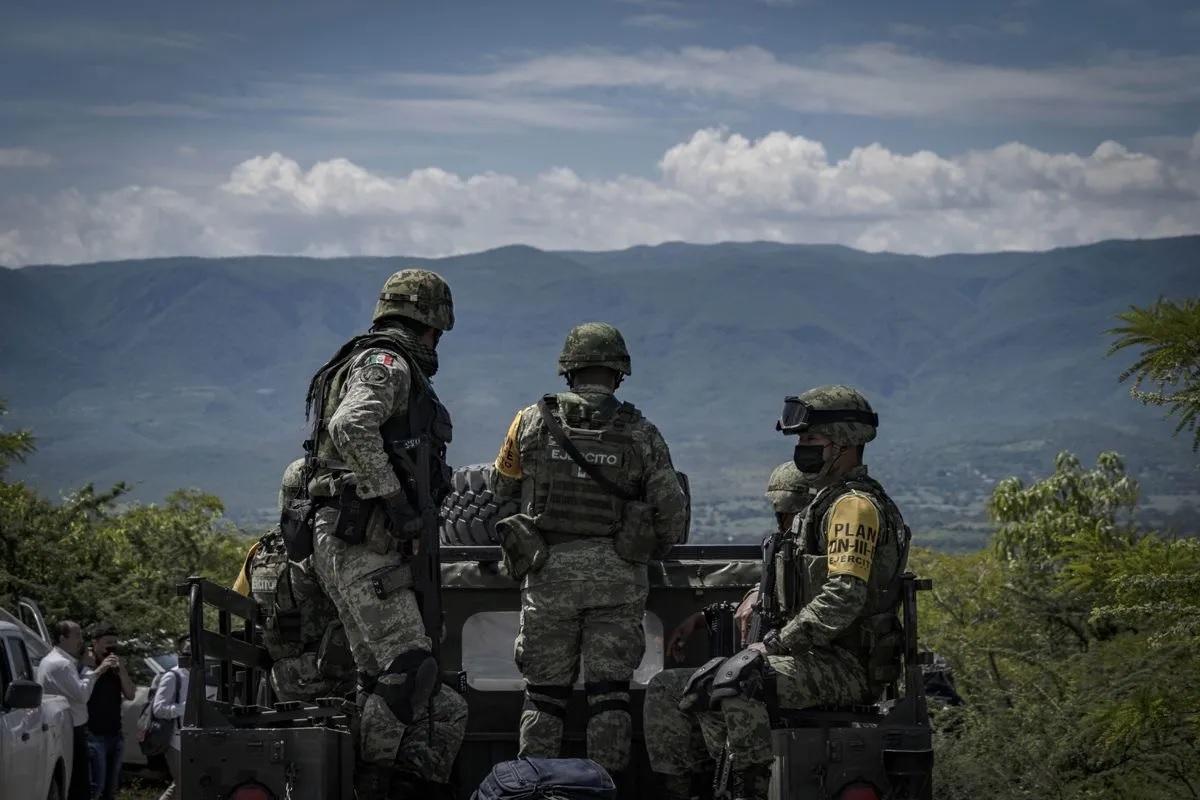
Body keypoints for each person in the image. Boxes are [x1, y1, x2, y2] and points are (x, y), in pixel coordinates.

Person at [682, 385, 911, 800]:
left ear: (844, 444)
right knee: (702, 686)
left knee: (740, 681)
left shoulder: (853, 508)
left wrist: (774, 645)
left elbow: (842, 598)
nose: (802, 450)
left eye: (811, 440)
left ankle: (747, 791)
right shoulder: (825, 504)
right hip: (816, 656)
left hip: (847, 665)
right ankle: (726, 782)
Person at [487, 321, 689, 787]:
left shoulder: (530, 421)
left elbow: (502, 486)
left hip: (548, 574)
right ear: (619, 372)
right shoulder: (642, 432)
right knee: (610, 697)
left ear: (569, 370)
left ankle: (530, 790)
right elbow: (672, 515)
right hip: (619, 578)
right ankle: (603, 788)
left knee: (543, 697)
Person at [302, 268, 466, 800]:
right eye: (438, 332)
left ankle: (396, 783)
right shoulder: (386, 362)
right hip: (360, 538)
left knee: (395, 683)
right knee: (408, 670)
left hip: (352, 541)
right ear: (430, 323)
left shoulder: (371, 359)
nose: (436, 343)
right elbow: (350, 425)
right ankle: (371, 787)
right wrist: (395, 503)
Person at [644, 461, 816, 800]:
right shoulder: (785, 550)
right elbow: (769, 592)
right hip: (770, 663)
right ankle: (682, 790)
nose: (784, 519)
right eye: (780, 511)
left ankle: (741, 787)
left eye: (791, 511)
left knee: (727, 684)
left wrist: (771, 646)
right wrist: (703, 617)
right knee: (666, 687)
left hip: (799, 665)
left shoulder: (819, 555)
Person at [233, 458, 356, 703]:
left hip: (279, 681)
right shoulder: (325, 549)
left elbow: (240, 603)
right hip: (331, 678)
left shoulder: (259, 550)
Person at [37, 620, 118, 800]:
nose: (81, 640)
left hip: (65, 726)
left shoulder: (56, 661)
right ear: (61, 638)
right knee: (79, 784)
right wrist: (95, 669)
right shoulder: (61, 664)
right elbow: (82, 695)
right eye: (77, 635)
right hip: (71, 729)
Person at [83, 621, 135, 800]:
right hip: (94, 734)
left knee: (111, 789)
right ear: (95, 643)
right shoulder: (86, 664)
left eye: (114, 643)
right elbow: (82, 693)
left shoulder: (116, 665)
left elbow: (130, 694)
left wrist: (121, 671)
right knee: (95, 788)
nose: (111, 648)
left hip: (115, 733)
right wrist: (101, 667)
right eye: (107, 643)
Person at [152, 635, 191, 800]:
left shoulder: (201, 675)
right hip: (176, 741)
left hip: (194, 739)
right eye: (187, 652)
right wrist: (184, 708)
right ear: (179, 652)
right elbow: (158, 709)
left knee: (183, 785)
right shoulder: (173, 676)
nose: (191, 656)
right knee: (183, 785)